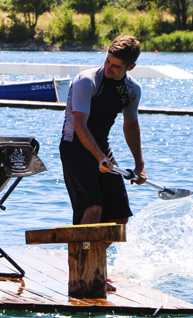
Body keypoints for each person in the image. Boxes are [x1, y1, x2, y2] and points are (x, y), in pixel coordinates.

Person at [59, 35, 148, 226]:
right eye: (107, 61)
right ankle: (82, 256)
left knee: (119, 218)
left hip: (102, 150)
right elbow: (80, 125)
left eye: (116, 66)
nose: (108, 68)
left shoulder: (132, 90)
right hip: (74, 148)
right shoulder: (87, 81)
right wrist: (100, 157)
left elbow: (131, 125)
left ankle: (92, 255)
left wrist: (139, 165)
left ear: (130, 67)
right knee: (94, 209)